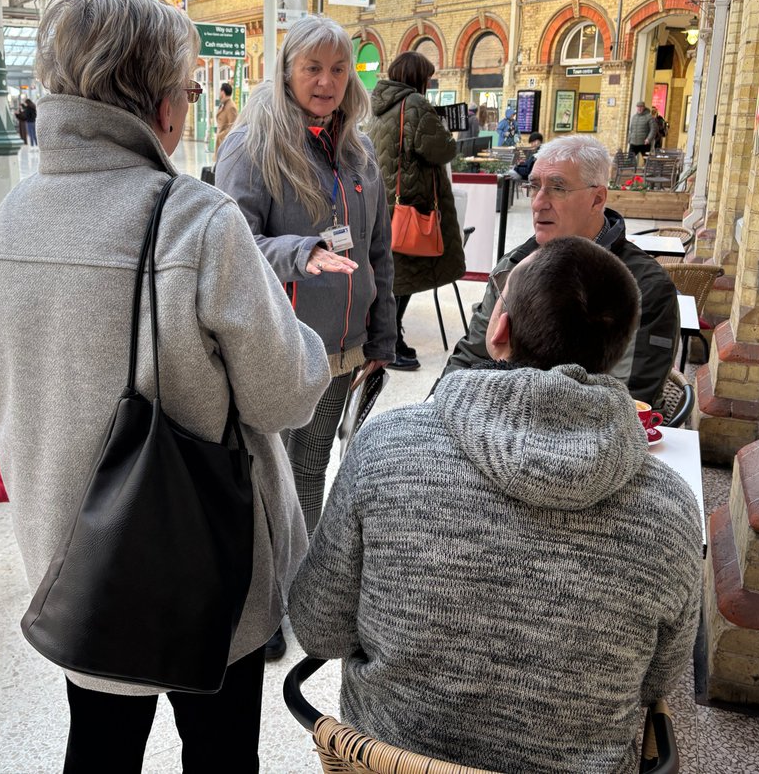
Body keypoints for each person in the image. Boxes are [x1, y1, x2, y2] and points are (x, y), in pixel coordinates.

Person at [0, 0, 330, 774]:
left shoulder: (11, 219)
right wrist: (306, 340)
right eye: (191, 90)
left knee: (97, 744)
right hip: (201, 561)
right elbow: (281, 395)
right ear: (160, 102)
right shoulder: (197, 220)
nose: (189, 107)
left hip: (74, 560)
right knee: (220, 752)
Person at [289, 236, 702, 773]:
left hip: (389, 760)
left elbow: (320, 626)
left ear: (498, 330)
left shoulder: (387, 449)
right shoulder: (669, 509)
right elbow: (658, 680)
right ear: (618, 351)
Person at [215, 14, 396, 658]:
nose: (326, 82)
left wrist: (382, 335)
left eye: (338, 69)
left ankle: (302, 595)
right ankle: (261, 608)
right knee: (272, 476)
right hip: (281, 346)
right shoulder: (250, 146)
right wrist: (301, 251)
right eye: (312, 68)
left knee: (311, 468)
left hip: (342, 349)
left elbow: (377, 249)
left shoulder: (359, 150)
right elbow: (231, 248)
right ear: (287, 70)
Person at [442, 135, 678, 408]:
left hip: (585, 441)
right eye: (534, 186)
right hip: (496, 428)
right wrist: (435, 409)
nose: (537, 203)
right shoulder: (513, 266)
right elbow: (470, 356)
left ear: (597, 199)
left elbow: (631, 404)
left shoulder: (646, 288)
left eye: (557, 188)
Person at [367, 51, 465, 371]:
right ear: (418, 78)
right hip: (412, 205)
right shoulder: (415, 105)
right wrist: (447, 132)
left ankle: (386, 336)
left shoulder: (376, 105)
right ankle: (389, 342)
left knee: (390, 275)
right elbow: (441, 149)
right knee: (403, 280)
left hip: (384, 203)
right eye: (428, 78)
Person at [215, 82, 238, 150]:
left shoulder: (231, 107)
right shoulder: (224, 104)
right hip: (221, 144)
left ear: (222, 92)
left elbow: (233, 126)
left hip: (225, 145)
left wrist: (220, 136)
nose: (219, 94)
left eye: (220, 91)